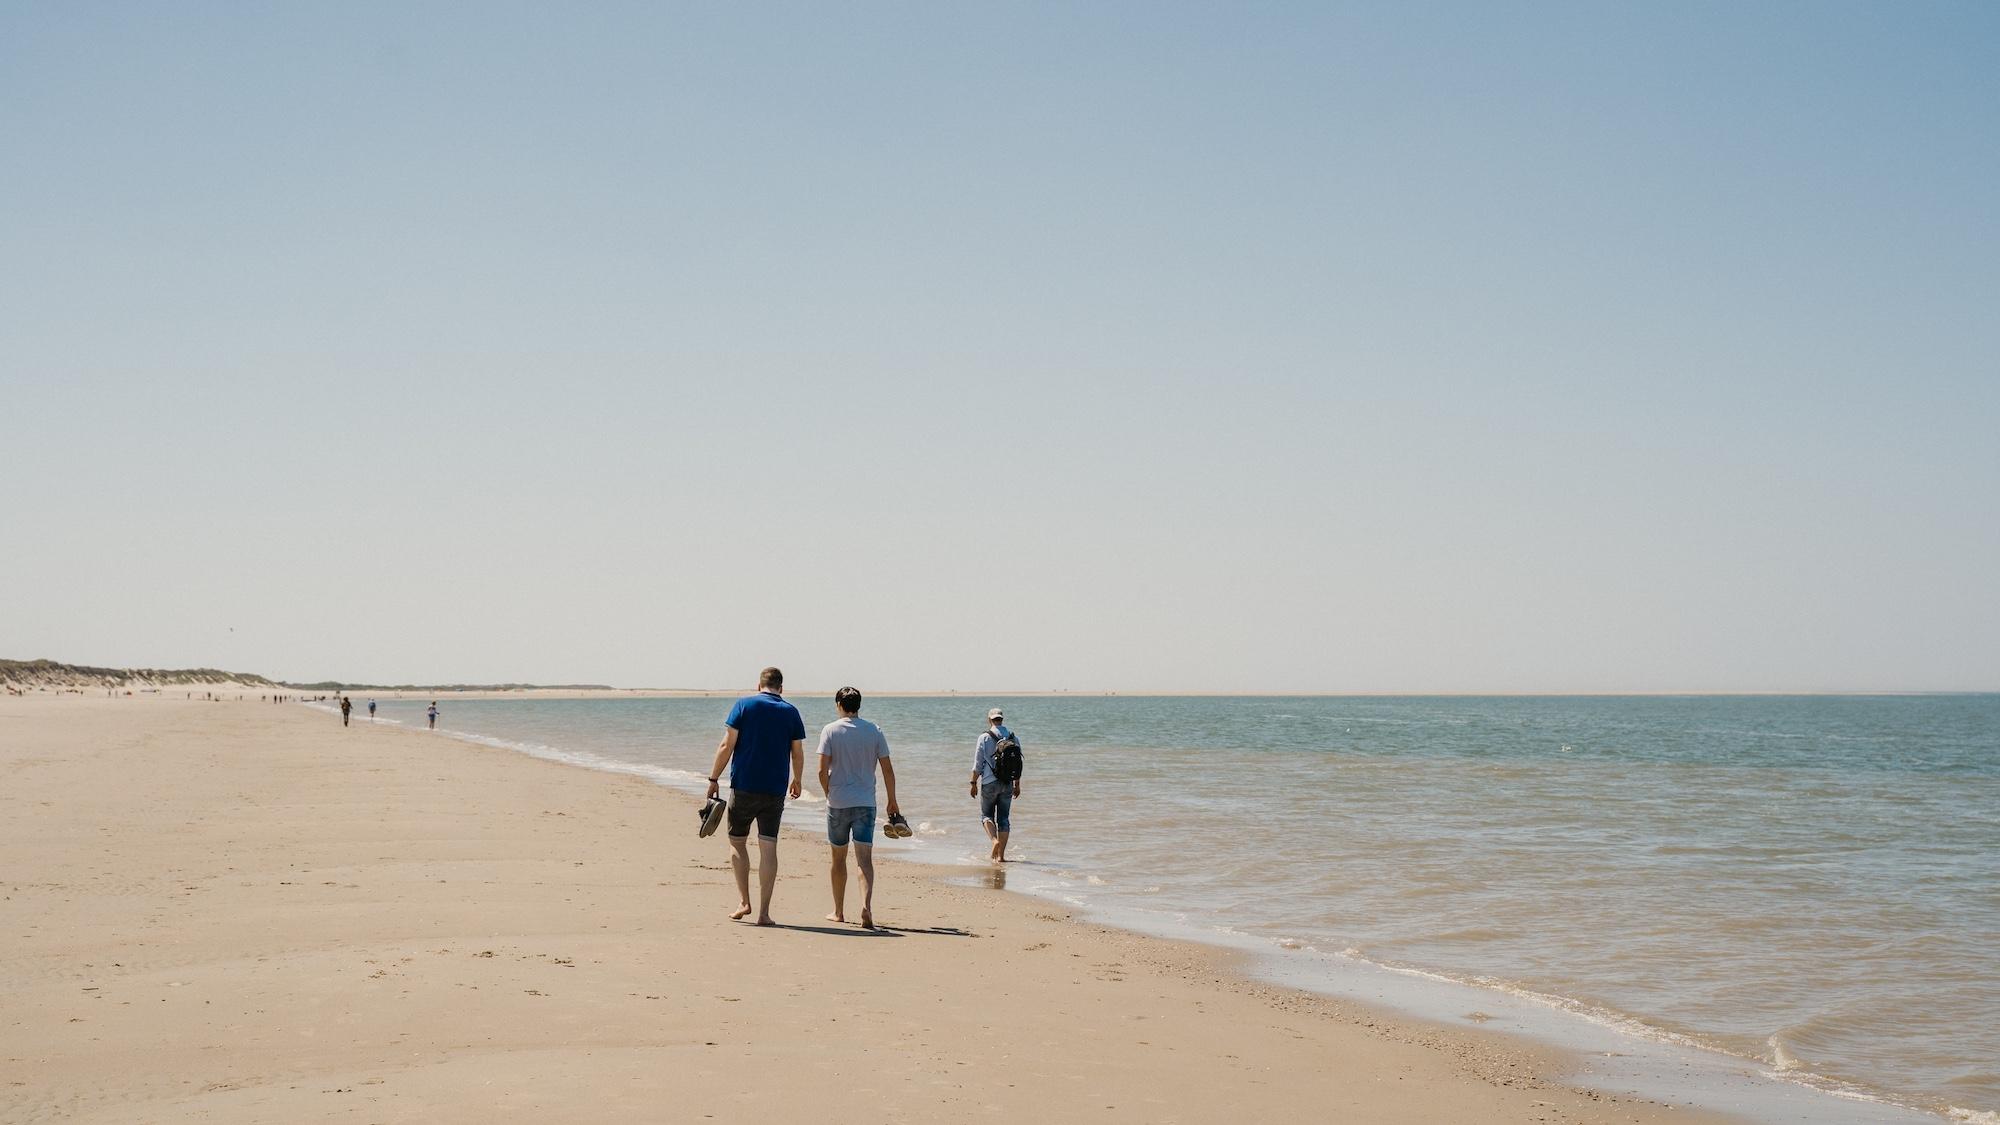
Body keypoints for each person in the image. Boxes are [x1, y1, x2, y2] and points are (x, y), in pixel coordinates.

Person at [704, 667, 805, 926]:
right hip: (775, 790)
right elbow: (797, 752)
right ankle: (764, 913)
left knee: (737, 842)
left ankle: (744, 901)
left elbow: (727, 745)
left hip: (744, 786)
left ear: (758, 685)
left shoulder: (744, 705)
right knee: (768, 846)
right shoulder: (790, 711)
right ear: (781, 688)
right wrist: (797, 779)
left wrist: (714, 778)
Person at [815, 686, 898, 929]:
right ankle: (866, 907)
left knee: (838, 858)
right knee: (864, 859)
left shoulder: (830, 730)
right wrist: (892, 800)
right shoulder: (874, 730)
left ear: (838, 704)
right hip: (865, 803)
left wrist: (828, 792)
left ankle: (838, 911)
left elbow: (821, 770)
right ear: (858, 705)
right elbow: (887, 769)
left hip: (838, 802)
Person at [971, 707, 1022, 862]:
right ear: (1002, 719)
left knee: (986, 816)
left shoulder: (984, 737)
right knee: (1004, 819)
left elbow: (977, 764)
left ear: (989, 720)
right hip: (1007, 783)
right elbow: (1017, 764)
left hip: (988, 782)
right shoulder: (1013, 737)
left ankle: (994, 841)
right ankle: (1001, 857)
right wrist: (1017, 785)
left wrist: (973, 782)